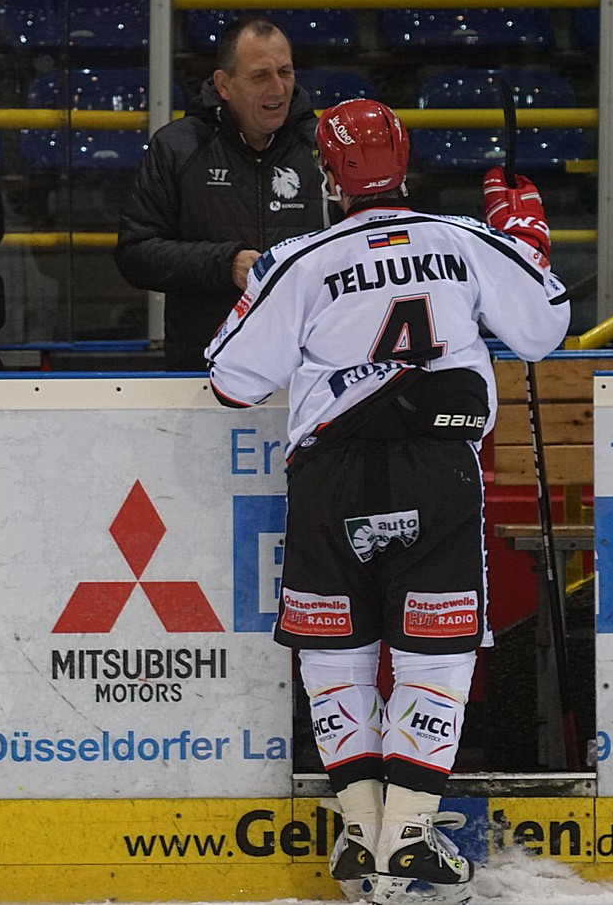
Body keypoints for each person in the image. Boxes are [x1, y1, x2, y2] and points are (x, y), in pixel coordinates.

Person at [204, 99, 570, 905]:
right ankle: (406, 834)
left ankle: (363, 835)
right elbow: (545, 329)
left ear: (329, 175)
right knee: (433, 656)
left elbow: (231, 381)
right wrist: (525, 236)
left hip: (329, 475)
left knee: (335, 654)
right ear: (404, 161)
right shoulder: (463, 239)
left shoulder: (298, 258)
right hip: (438, 470)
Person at [115, 16, 326, 370]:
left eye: (285, 72)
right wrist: (226, 264)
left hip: (308, 370)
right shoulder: (178, 147)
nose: (278, 89)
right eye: (260, 76)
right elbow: (136, 254)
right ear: (224, 85)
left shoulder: (323, 147)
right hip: (204, 369)